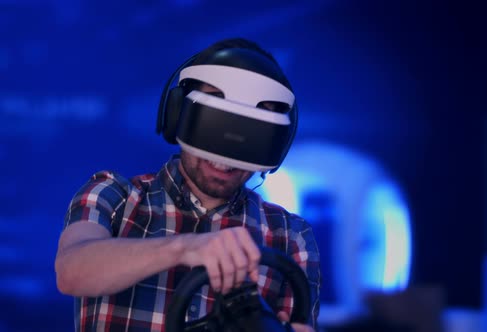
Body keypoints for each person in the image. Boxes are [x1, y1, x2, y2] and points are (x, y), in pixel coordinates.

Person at [54, 37, 320, 332]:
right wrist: (184, 248)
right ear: (177, 115)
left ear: (274, 145)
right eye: (214, 124)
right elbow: (71, 272)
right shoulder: (113, 195)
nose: (226, 157)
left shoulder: (290, 236)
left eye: (250, 135)